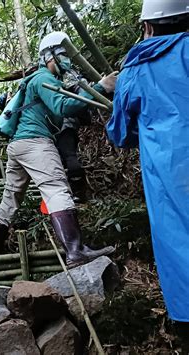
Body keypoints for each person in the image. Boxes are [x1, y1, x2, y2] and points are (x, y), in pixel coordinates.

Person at [0, 31, 117, 267]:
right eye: (62, 55)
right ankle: (75, 251)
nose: (67, 60)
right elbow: (62, 107)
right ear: (49, 58)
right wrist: (100, 87)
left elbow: (66, 104)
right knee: (57, 188)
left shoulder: (37, 80)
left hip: (18, 145)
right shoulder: (42, 78)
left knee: (11, 196)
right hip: (36, 143)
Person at [106, 0, 189, 349]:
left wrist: (116, 90)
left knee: (181, 247)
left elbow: (119, 133)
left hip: (171, 182)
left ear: (148, 27)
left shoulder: (138, 67)